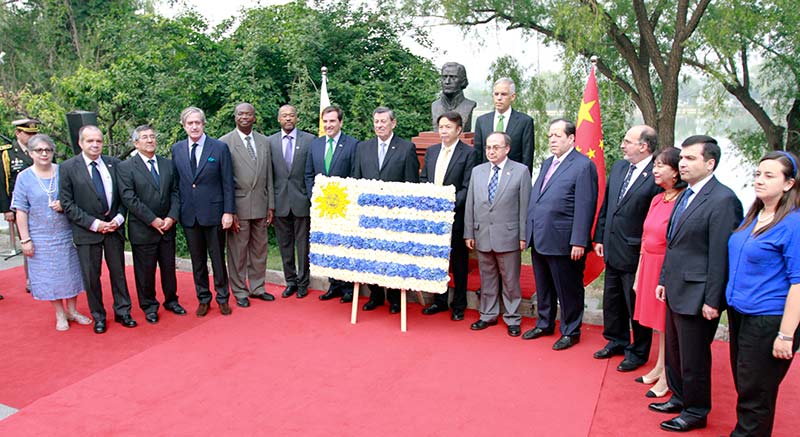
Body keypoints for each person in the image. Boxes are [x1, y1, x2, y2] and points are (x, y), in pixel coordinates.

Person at [649, 135, 743, 433]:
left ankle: (696, 411)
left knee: (694, 357)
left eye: (690, 158)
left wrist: (713, 300)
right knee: (676, 352)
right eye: (682, 158)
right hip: (676, 287)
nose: (682, 163)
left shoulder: (723, 200)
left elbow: (719, 255)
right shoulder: (686, 193)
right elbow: (673, 244)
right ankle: (679, 397)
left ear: (710, 163)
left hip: (699, 293)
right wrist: (664, 279)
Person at [726, 151, 800, 436]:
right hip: (740, 312)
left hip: (768, 318)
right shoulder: (755, 213)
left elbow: (798, 282)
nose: (759, 180)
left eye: (769, 176)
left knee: (756, 392)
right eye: (758, 174)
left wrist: (786, 334)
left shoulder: (792, 223)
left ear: (788, 184)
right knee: (745, 384)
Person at [524, 118, 598, 350]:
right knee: (543, 285)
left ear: (571, 138)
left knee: (568, 288)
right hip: (540, 236)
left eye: (557, 135)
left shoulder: (583, 165)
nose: (552, 140)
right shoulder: (547, 163)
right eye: (550, 136)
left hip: (564, 239)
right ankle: (545, 323)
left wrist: (579, 240)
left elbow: (585, 205)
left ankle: (570, 330)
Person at [593, 125, 662, 371]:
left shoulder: (656, 174)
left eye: (627, 141)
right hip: (612, 247)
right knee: (612, 300)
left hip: (636, 253)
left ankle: (639, 350)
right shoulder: (620, 167)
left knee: (635, 303)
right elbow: (608, 205)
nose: (622, 145)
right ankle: (617, 340)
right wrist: (600, 236)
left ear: (644, 146)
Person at [60, 125, 136, 334]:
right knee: (92, 276)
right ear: (80, 143)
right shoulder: (68, 168)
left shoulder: (114, 164)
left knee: (118, 273)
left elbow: (124, 197)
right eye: (90, 141)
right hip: (87, 232)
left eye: (99, 141)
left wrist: (119, 219)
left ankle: (123, 312)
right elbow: (67, 204)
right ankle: (99, 316)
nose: (95, 145)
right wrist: (95, 224)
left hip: (114, 228)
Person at [12, 134, 88, 331]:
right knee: (49, 276)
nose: (44, 154)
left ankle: (72, 310)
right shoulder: (24, 177)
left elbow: (78, 198)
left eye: (48, 150)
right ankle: (59, 313)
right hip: (40, 235)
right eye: (39, 150)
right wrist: (25, 239)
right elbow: (20, 209)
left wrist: (65, 205)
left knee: (72, 272)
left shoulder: (63, 171)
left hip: (67, 232)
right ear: (30, 153)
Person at [353, 106, 420, 313]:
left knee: (392, 256)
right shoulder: (363, 148)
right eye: (376, 122)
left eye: (383, 122)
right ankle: (375, 295)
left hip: (395, 216)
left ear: (393, 123)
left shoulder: (406, 148)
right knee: (372, 255)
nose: (379, 125)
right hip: (369, 216)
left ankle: (394, 298)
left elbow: (411, 184)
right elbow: (356, 179)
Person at [117, 125, 186, 323]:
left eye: (152, 136)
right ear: (136, 143)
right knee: (145, 272)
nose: (150, 140)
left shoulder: (168, 164)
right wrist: (152, 219)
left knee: (168, 268)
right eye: (145, 137)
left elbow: (175, 192)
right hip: (143, 229)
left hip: (167, 227)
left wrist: (171, 218)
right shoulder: (126, 167)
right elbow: (129, 198)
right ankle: (149, 305)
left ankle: (171, 300)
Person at [171, 106, 235, 317]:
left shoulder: (219, 148)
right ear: (184, 126)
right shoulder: (177, 149)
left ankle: (223, 297)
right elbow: (178, 183)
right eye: (190, 123)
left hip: (214, 214)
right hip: (189, 215)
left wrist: (228, 212)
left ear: (204, 124)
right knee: (197, 261)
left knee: (217, 258)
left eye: (198, 122)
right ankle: (203, 298)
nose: (194, 126)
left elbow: (228, 182)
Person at [632, 147, 686, 398]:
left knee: (666, 323)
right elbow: (645, 237)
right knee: (656, 323)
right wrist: (639, 272)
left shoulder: (682, 200)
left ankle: (668, 374)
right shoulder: (657, 198)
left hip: (665, 267)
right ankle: (659, 366)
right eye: (654, 164)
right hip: (649, 264)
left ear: (675, 171)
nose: (655, 169)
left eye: (661, 165)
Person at [464, 131, 530, 336]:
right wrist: (469, 232)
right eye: (488, 147)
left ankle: (512, 318)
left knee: (511, 280)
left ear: (507, 149)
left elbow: (525, 207)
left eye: (496, 147)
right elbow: (470, 204)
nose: (491, 151)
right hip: (482, 234)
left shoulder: (520, 171)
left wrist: (523, 236)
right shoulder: (478, 171)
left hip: (508, 236)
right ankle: (487, 315)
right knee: (487, 278)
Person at [420, 111, 476, 321]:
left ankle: (459, 304)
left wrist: (447, 205)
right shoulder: (432, 151)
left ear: (459, 130)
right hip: (433, 218)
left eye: (448, 127)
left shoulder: (469, 153)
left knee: (459, 263)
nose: (443, 131)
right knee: (437, 260)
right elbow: (424, 178)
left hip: (456, 216)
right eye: (441, 127)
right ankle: (439, 301)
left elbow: (467, 186)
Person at [220, 103, 276, 307]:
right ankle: (239, 290)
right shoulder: (225, 142)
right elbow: (224, 181)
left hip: (261, 204)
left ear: (254, 117)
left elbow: (269, 174)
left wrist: (271, 204)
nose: (244, 117)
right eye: (240, 114)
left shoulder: (263, 141)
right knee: (238, 251)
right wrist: (229, 210)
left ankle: (258, 287)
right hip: (239, 206)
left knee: (260, 249)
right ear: (235, 117)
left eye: (248, 114)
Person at [304, 105, 359, 303]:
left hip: (344, 208)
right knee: (329, 246)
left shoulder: (353, 144)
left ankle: (347, 287)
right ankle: (333, 284)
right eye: (325, 122)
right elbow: (309, 174)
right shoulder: (315, 144)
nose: (328, 125)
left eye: (332, 121)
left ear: (341, 122)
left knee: (344, 246)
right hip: (323, 208)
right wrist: (316, 198)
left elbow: (355, 175)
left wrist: (346, 200)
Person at [268, 104, 315, 299]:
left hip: (301, 201)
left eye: (291, 115)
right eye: (284, 116)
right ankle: (290, 281)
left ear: (297, 118)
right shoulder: (269, 142)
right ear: (279, 119)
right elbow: (268, 175)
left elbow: (312, 171)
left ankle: (304, 282)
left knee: (303, 246)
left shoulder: (310, 140)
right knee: (285, 245)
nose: (288, 119)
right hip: (279, 203)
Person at [1, 118, 40, 295]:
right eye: (28, 133)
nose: (32, 137)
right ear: (18, 133)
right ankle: (31, 278)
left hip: (41, 204)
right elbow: (3, 182)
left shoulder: (40, 150)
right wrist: (6, 208)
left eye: (34, 133)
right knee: (27, 241)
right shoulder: (7, 154)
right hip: (20, 206)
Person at [473, 78, 534, 174]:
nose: (499, 98)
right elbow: (477, 155)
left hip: (513, 178)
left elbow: (527, 156)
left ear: (513, 97)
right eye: (496, 94)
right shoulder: (482, 121)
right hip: (486, 176)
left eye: (503, 94)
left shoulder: (525, 122)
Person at [431, 62, 477, 132]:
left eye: (453, 77)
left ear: (463, 81)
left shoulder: (469, 105)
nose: (447, 81)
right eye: (444, 77)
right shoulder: (435, 105)